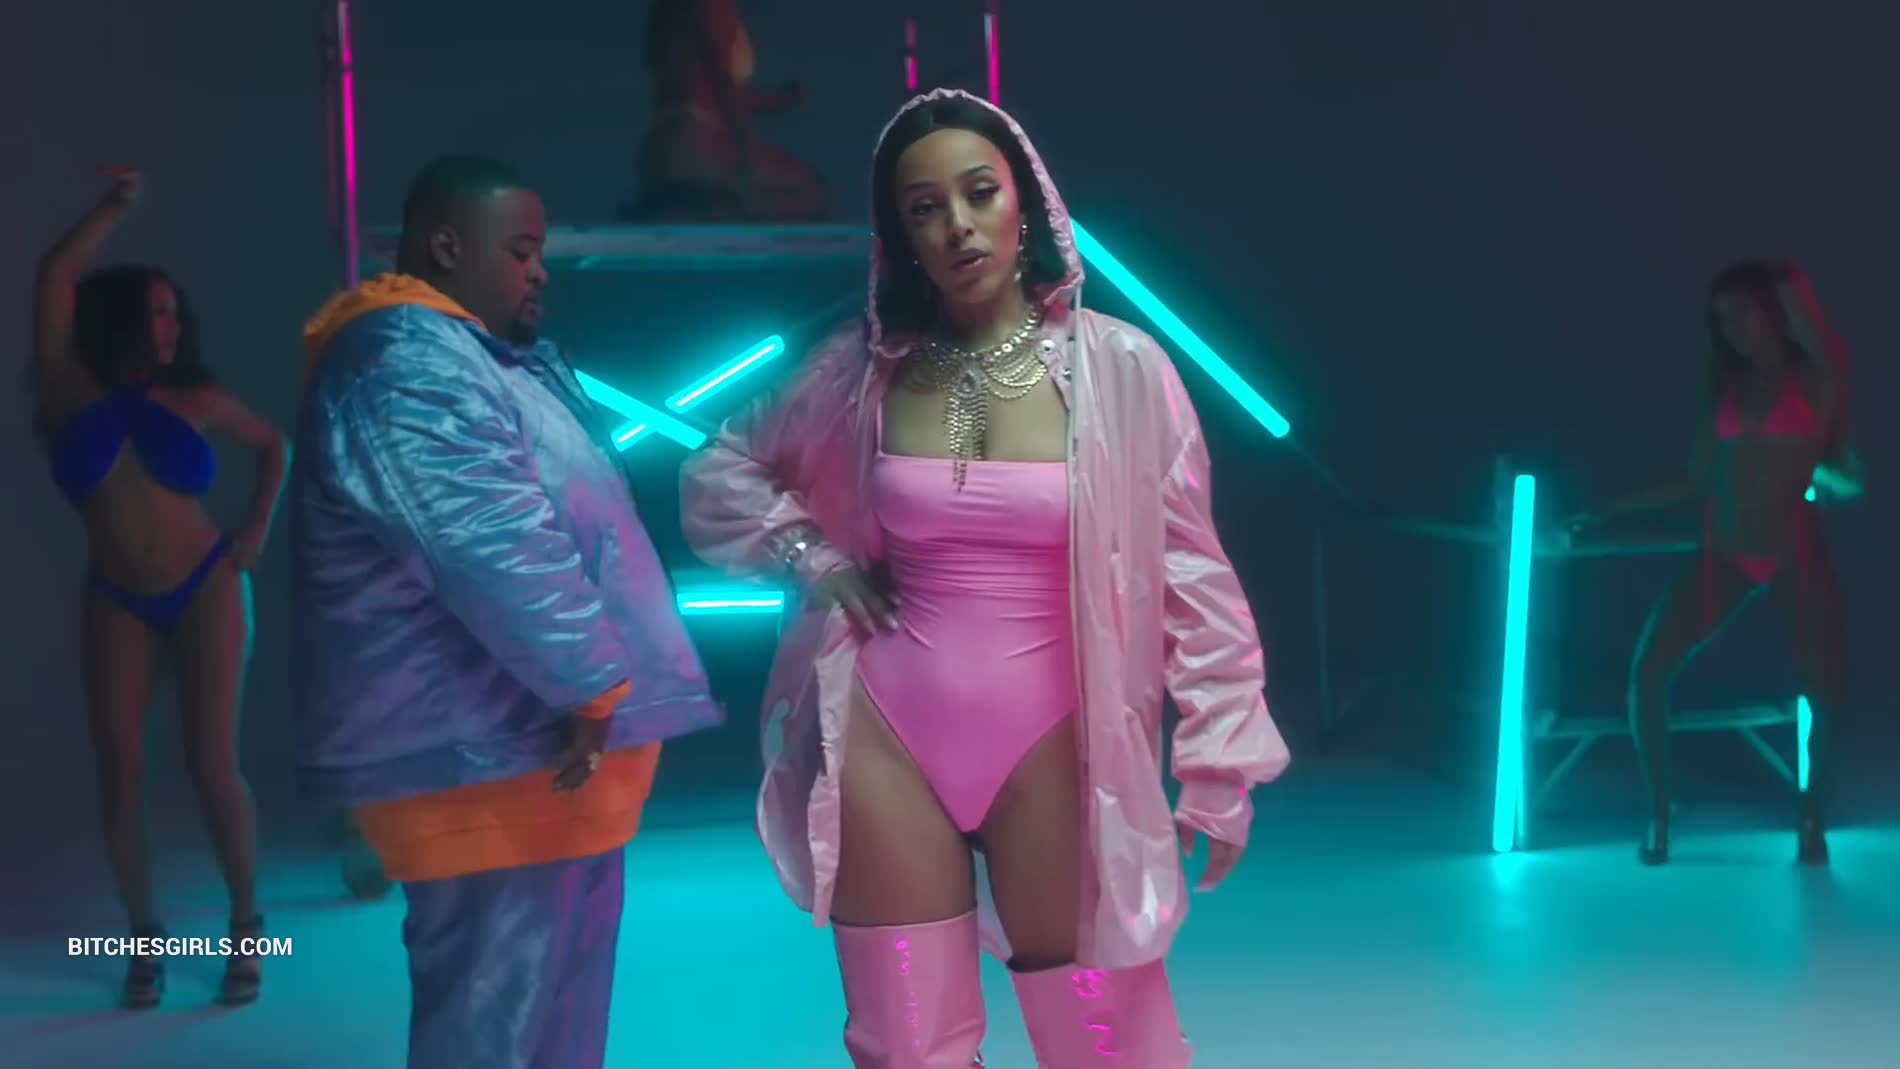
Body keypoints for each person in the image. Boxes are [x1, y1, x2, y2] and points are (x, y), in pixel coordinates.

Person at [680, 90, 1289, 1067]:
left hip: (1057, 740)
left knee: (1105, 1043)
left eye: (979, 193)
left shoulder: (1121, 369)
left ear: (1026, 203)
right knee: (905, 1044)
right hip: (888, 726)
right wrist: (811, 558)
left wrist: (1219, 760)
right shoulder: (859, 374)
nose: (958, 225)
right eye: (925, 208)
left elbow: (1193, 574)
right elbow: (723, 468)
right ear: (900, 237)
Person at [291, 156, 723, 1068]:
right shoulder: (407, 364)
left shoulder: (463, 360)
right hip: (497, 758)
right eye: (521, 251)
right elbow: (488, 539)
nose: (541, 271)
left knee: (547, 1017)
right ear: (448, 246)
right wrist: (593, 681)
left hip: (530, 754)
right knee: (499, 1026)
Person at [29, 167, 287, 1009]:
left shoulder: (197, 397)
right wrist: (114, 205)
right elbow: (55, 274)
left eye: (179, 311)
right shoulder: (67, 387)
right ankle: (145, 942)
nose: (174, 325)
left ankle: (247, 924)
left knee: (213, 764)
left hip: (206, 583)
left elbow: (274, 446)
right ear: (121, 319)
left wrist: (254, 530)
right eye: (159, 310)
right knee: (121, 768)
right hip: (119, 597)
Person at [1565, 258, 1860, 866]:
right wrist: (1608, 512)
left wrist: (1782, 279)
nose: (1733, 327)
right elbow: (1697, 481)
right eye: (1722, 318)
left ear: (1774, 312)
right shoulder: (1724, 390)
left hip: (1794, 551)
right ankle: (1659, 813)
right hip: (1724, 552)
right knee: (1649, 671)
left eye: (1743, 311)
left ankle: (1811, 816)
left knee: (1826, 690)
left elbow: (1822, 338)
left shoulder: (1815, 379)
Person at [625, 0, 831, 221]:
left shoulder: (672, 10)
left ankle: (698, 212)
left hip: (660, 150)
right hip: (696, 147)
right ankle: (714, 213)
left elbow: (702, 89)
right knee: (812, 194)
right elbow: (723, 87)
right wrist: (745, 164)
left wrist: (779, 101)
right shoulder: (711, 6)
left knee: (765, 202)